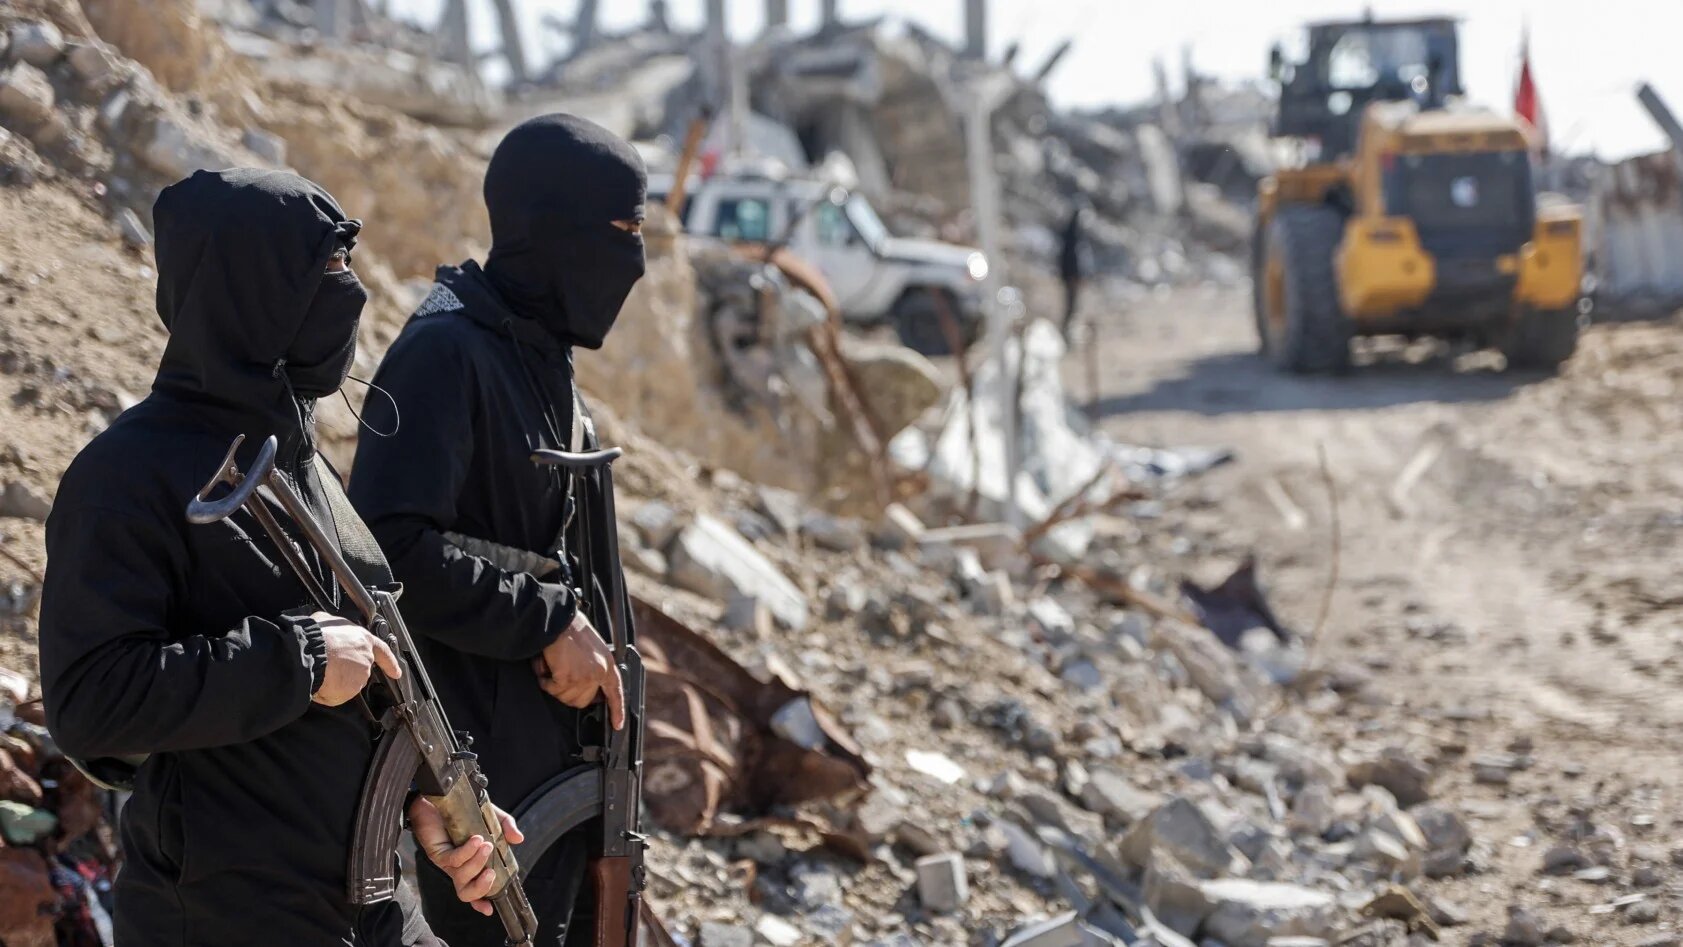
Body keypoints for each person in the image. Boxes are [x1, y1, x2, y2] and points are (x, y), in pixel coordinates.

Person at [39, 168, 512, 947]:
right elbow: (89, 701)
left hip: (365, 904)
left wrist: (431, 798)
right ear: (249, 288)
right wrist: (296, 658)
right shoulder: (127, 472)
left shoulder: (298, 463)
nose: (349, 291)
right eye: (324, 268)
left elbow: (372, 677)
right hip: (224, 912)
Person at [348, 114, 641, 946]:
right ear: (553, 229)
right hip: (475, 795)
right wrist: (545, 621)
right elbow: (386, 553)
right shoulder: (444, 355)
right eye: (620, 232)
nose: (636, 260)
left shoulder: (538, 355)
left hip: (559, 765)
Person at [1059, 201, 1089, 341]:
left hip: (1072, 276)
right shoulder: (1072, 240)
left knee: (1073, 307)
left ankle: (1068, 332)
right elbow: (1071, 259)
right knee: (1071, 307)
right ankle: (1066, 333)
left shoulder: (1073, 238)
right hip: (1071, 277)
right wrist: (1072, 276)